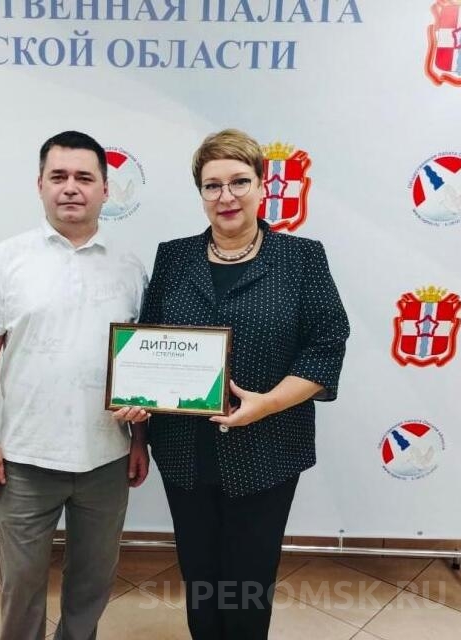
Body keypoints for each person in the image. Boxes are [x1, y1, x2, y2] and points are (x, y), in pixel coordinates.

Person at [139, 129, 349, 639]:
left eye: (239, 182)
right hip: (184, 448)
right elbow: (147, 343)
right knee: (199, 573)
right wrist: (136, 401)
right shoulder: (173, 257)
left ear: (262, 186)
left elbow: (327, 343)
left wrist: (268, 403)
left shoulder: (301, 257)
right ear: (201, 193)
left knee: (249, 579)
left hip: (268, 446)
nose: (226, 196)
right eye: (212, 185)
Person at [0, 130, 150, 640]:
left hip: (106, 458)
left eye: (84, 177)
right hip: (25, 459)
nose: (71, 187)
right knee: (21, 583)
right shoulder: (7, 259)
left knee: (92, 581)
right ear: (40, 185)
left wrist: (139, 440)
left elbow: (139, 364)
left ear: (106, 189)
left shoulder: (130, 267)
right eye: (59, 176)